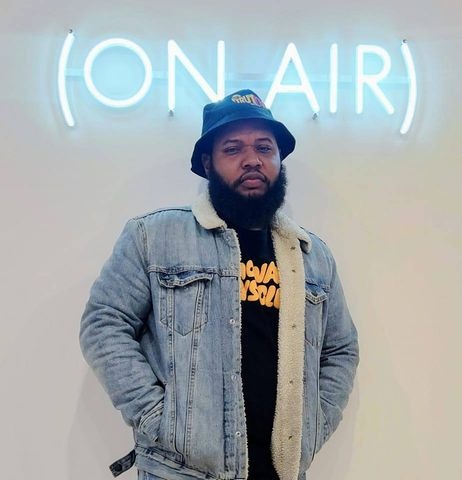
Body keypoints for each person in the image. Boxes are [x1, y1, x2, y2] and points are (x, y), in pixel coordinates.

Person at [79, 89, 359, 480]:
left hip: (282, 471)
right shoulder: (154, 236)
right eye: (233, 149)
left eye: (265, 147)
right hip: (181, 472)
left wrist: (315, 423)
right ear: (208, 163)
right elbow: (104, 324)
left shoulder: (313, 255)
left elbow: (341, 349)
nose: (252, 159)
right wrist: (159, 419)